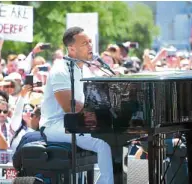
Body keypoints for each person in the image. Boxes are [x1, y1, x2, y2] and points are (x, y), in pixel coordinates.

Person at [39, 26, 114, 184]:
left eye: (90, 42)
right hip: (55, 125)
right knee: (104, 141)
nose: (90, 46)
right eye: (84, 43)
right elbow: (69, 106)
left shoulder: (85, 70)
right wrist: (99, 115)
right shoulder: (60, 70)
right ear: (71, 48)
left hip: (77, 122)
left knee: (117, 137)